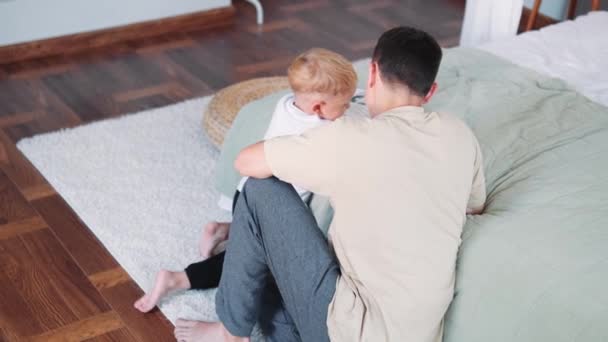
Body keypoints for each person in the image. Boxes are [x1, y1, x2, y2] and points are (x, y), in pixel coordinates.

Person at [171, 26, 486, 342]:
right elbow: (475, 205)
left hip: (348, 330)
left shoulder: (351, 137)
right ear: (430, 93)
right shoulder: (460, 135)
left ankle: (230, 333)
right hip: (418, 334)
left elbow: (246, 162)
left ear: (372, 72)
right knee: (270, 278)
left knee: (259, 189)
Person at [134, 48, 366, 314]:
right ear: (318, 108)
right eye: (345, 104)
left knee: (248, 237)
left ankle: (223, 229)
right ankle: (177, 279)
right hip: (264, 210)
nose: (348, 108)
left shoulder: (286, 105)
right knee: (251, 265)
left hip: (243, 192)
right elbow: (354, 130)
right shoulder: (322, 130)